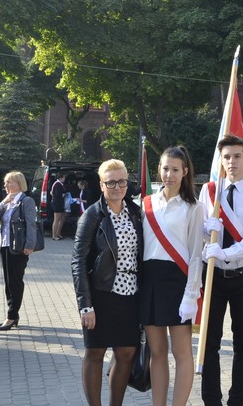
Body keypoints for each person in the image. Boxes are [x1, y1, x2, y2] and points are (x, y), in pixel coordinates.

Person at [199, 134, 243, 406]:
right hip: (214, 276)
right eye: (226, 157)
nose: (231, 162)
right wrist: (208, 230)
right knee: (210, 342)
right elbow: (201, 229)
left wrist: (225, 252)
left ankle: (237, 400)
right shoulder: (210, 191)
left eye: (237, 156)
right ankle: (211, 400)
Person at [72, 159, 143, 406]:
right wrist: (85, 305)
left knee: (126, 353)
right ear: (102, 185)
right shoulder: (93, 215)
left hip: (130, 294)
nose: (117, 187)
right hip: (101, 294)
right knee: (95, 353)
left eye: (122, 181)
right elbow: (78, 262)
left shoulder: (136, 213)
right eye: (111, 182)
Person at [139, 147, 204, 406]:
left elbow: (196, 255)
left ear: (185, 172)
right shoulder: (145, 204)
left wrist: (191, 294)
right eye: (165, 168)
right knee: (157, 352)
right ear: (159, 169)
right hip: (150, 282)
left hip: (178, 283)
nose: (169, 174)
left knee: (181, 353)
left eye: (176, 169)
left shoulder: (193, 207)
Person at [0, 171, 38, 331]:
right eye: (5, 183)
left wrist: (30, 245)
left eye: (9, 183)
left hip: (19, 247)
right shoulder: (8, 201)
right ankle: (12, 315)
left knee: (15, 282)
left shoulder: (26, 201)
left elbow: (31, 224)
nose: (6, 186)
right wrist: (4, 202)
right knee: (8, 282)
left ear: (19, 184)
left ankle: (11, 316)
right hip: (5, 245)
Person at [50, 171, 67, 240]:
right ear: (60, 178)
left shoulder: (60, 184)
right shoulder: (57, 184)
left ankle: (58, 233)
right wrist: (64, 194)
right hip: (57, 203)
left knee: (61, 218)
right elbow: (57, 194)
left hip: (60, 203)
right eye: (64, 177)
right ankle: (54, 235)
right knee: (56, 219)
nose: (65, 179)